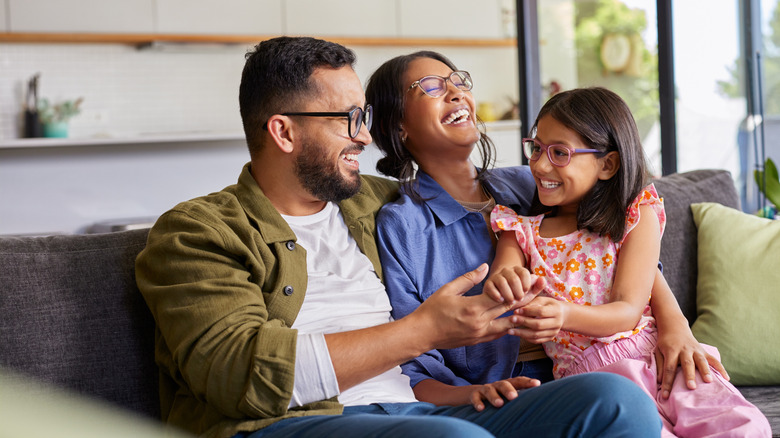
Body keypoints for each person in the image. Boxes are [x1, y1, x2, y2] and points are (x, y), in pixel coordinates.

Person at [136, 36, 662, 438]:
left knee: (617, 402)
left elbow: (611, 228)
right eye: (347, 120)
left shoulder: (375, 200)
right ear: (284, 131)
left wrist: (673, 323)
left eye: (363, 118)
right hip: (297, 421)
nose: (365, 136)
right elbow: (240, 375)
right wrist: (424, 331)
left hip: (420, 410)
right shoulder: (195, 234)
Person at [366, 50, 727, 412]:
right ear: (398, 126)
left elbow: (621, 249)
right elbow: (409, 358)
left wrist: (676, 325)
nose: (457, 92)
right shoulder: (403, 225)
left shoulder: (532, 182)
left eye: (458, 81)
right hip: (515, 390)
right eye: (430, 87)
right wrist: (470, 394)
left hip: (615, 355)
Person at [487, 87, 771, 437]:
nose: (541, 164)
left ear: (607, 164)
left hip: (658, 358)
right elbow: (503, 276)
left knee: (741, 427)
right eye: (536, 148)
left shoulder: (635, 216)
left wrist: (563, 315)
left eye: (559, 153)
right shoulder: (519, 231)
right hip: (591, 382)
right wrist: (505, 283)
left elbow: (628, 310)